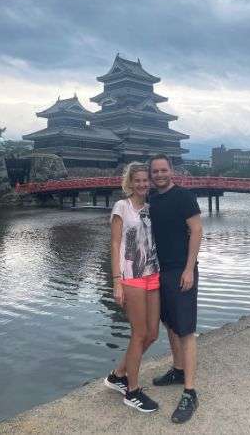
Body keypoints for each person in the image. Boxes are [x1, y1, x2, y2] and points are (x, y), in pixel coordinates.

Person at [147, 153, 203, 424]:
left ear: (172, 171)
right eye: (155, 171)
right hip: (160, 271)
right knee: (170, 323)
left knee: (186, 330)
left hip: (182, 270)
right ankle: (178, 369)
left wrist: (189, 268)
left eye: (163, 170)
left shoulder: (184, 196)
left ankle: (190, 392)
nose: (159, 175)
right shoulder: (152, 199)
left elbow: (196, 231)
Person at [103, 162, 161, 413]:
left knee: (152, 334)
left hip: (153, 273)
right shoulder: (121, 207)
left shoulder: (151, 207)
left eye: (145, 180)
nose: (142, 184)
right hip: (132, 275)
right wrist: (117, 280)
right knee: (139, 334)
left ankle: (117, 375)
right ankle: (132, 391)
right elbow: (115, 244)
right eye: (137, 180)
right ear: (130, 182)